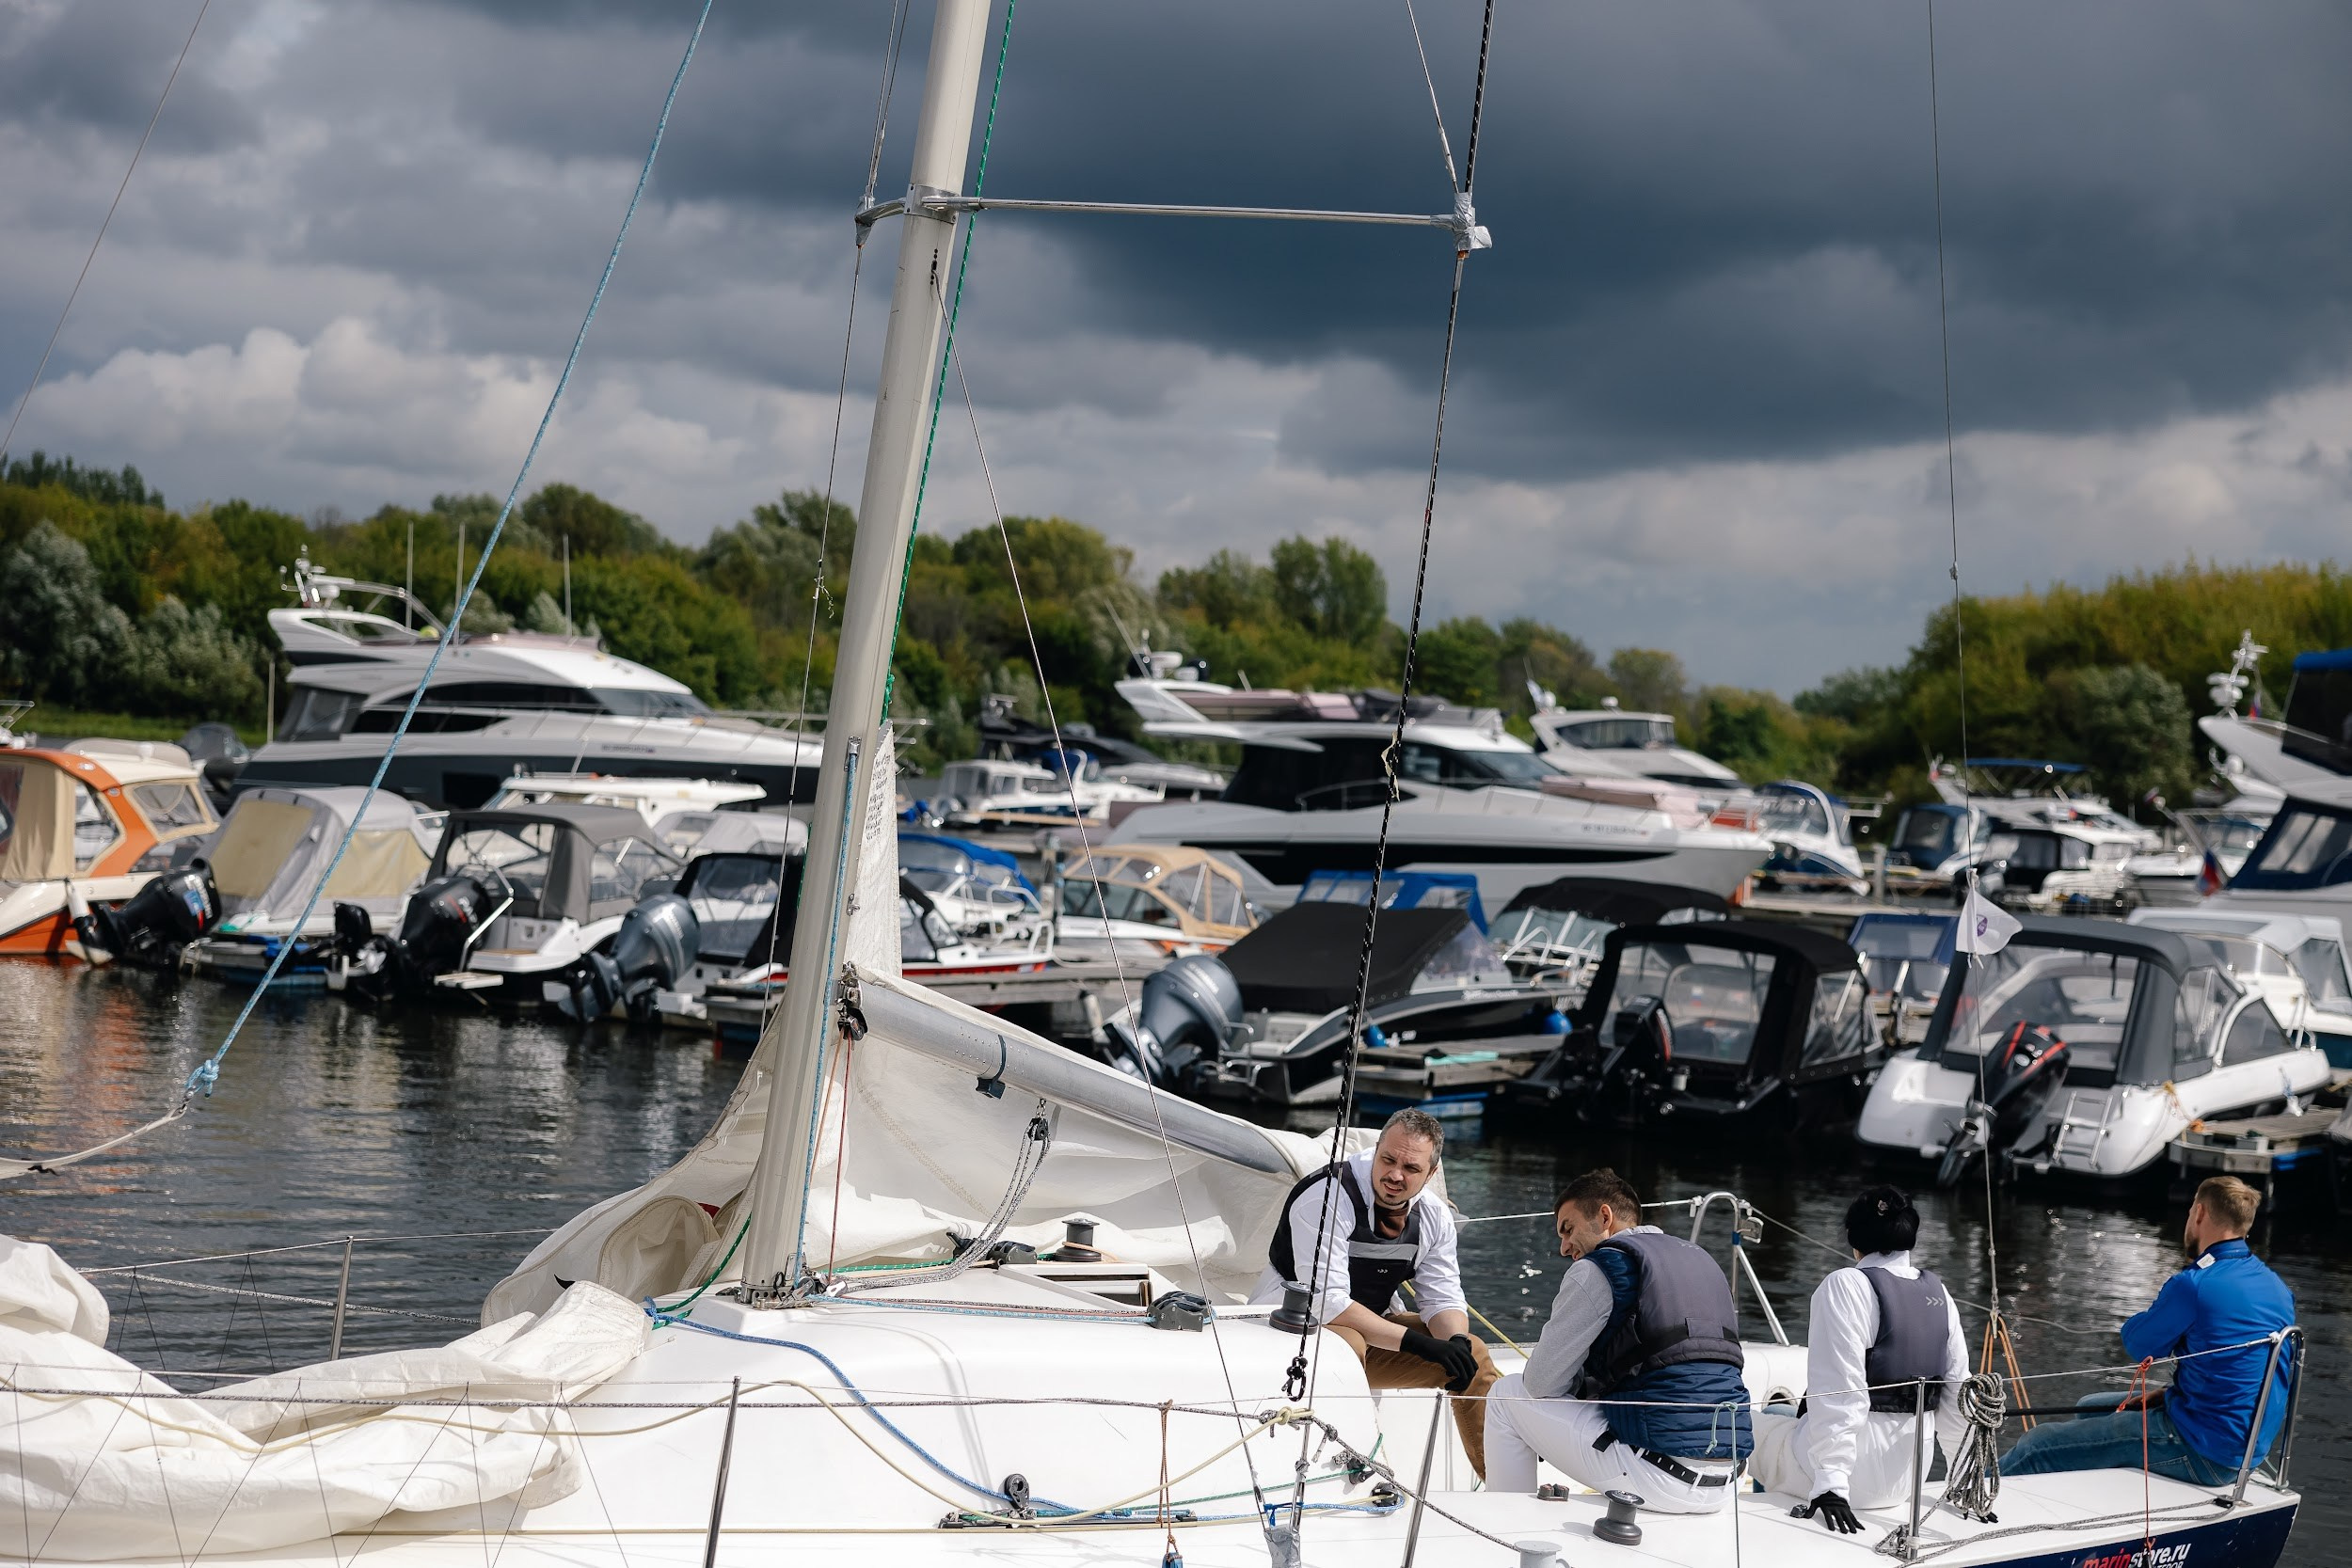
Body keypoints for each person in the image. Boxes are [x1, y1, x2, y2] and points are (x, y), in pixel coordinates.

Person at [1483, 1169, 1752, 1512]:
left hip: (1661, 1479)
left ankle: (1504, 1522)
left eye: (1568, 1229)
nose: (1564, 1247)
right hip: (1730, 1480)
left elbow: (1540, 1385)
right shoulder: (1703, 1261)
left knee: (1507, 1395)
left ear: (1605, 1216)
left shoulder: (1602, 1267)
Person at [2002, 1176, 2296, 1484]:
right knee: (2090, 1407)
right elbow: (2240, 1372)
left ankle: (1966, 1507)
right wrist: (2170, 1395)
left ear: (2199, 1213)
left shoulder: (2195, 1285)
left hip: (2203, 1451)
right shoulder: (2276, 1286)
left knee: (2037, 1445)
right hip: (2246, 1448)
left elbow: (2138, 1345)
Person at [1254, 1108, 1499, 1478]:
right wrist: (1421, 1346)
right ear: (1378, 1149)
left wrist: (1455, 1342)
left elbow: (1442, 1296)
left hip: (1376, 1329)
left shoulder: (1433, 1215)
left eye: (1412, 1169)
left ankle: (1500, 1479)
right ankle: (1334, 1468)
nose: (1395, 1175)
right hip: (1296, 1330)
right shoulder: (1326, 1197)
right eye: (1388, 1159)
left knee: (1474, 1356)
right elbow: (1328, 1302)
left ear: (1431, 1174)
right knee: (1347, 1345)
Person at [1747, 1185, 1969, 1531]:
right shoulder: (1940, 1294)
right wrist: (1964, 1477)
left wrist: (1832, 1483)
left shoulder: (1844, 1286)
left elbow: (1842, 1392)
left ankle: (1763, 1528)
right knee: (1788, 1417)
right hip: (1907, 1478)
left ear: (1854, 1238)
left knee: (1754, 1422)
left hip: (1852, 1480)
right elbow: (1957, 1397)